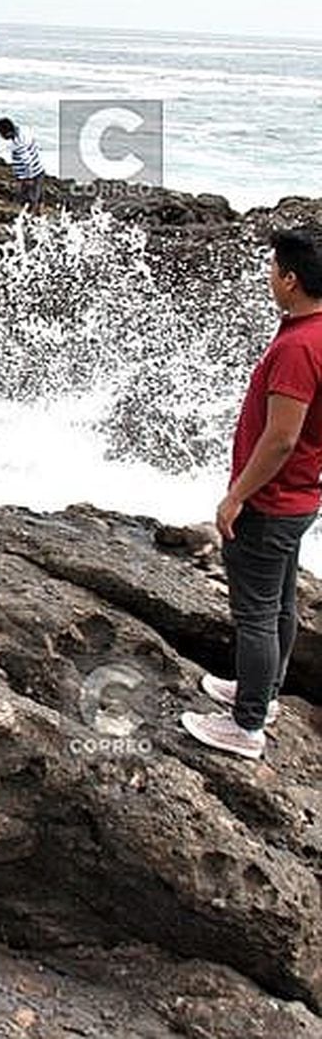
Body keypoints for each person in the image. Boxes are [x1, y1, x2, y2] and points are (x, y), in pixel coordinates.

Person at [180, 223, 322, 759]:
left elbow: (282, 438)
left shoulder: (299, 346)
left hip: (270, 502)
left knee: (257, 615)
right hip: (301, 498)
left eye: (272, 269)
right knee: (281, 604)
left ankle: (245, 727)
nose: (268, 277)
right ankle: (261, 696)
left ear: (289, 279)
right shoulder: (314, 331)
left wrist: (236, 496)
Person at [0, 117, 44, 215]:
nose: (1, 137)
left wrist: (28, 178)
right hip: (38, 170)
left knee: (29, 200)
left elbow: (27, 162)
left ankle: (31, 222)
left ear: (7, 133)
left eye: (1, 134)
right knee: (38, 198)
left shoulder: (19, 144)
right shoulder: (22, 132)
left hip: (31, 175)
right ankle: (38, 217)